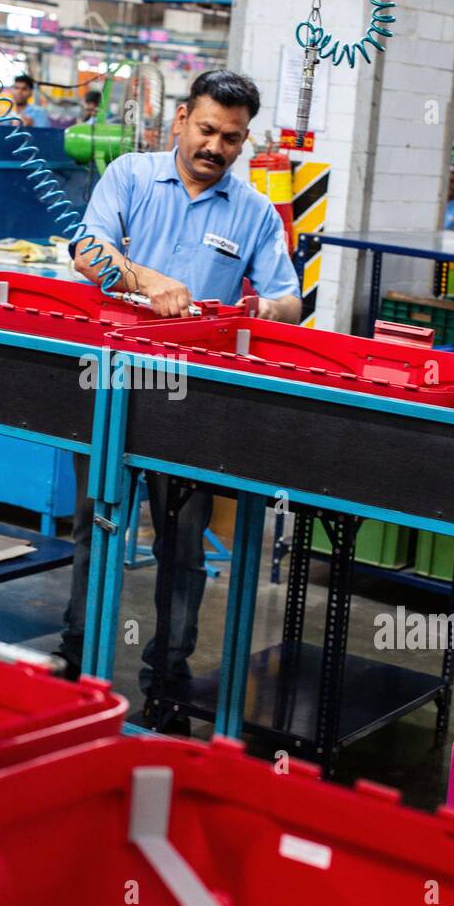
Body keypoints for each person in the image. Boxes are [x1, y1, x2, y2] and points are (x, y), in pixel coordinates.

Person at [62, 69, 302, 730]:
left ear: (243, 140)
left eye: (231, 138)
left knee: (183, 545)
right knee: (94, 524)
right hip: (110, 385)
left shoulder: (252, 210)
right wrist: (147, 280)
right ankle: (75, 659)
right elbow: (87, 249)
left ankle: (166, 681)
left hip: (192, 402)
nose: (215, 147)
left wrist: (267, 308)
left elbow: (291, 297)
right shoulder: (131, 178)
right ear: (179, 120)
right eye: (205, 130)